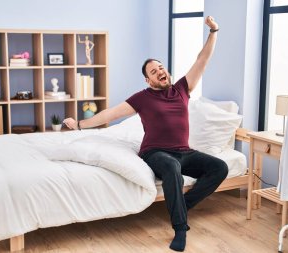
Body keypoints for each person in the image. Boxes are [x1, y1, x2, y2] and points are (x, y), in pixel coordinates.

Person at [64, 16, 228, 252]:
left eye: (161, 67)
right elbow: (110, 115)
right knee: (172, 168)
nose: (159, 71)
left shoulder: (182, 88)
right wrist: (79, 124)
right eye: (154, 71)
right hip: (156, 153)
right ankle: (180, 227)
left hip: (186, 152)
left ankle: (181, 204)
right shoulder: (142, 98)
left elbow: (202, 60)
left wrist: (214, 31)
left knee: (220, 167)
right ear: (148, 79)